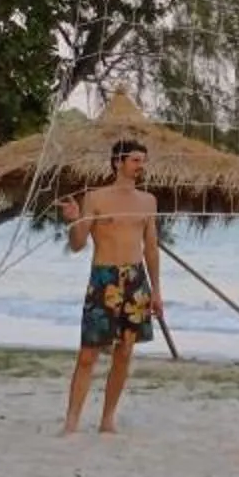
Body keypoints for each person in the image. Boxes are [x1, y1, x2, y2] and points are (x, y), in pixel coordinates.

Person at [61, 138, 163, 436]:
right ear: (118, 162)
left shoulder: (148, 201)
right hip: (104, 277)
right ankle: (72, 422)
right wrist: (74, 219)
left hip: (135, 279)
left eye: (143, 160)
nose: (140, 165)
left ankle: (107, 419)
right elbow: (78, 245)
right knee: (88, 354)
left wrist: (156, 291)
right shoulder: (96, 198)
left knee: (125, 352)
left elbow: (152, 249)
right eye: (135, 160)